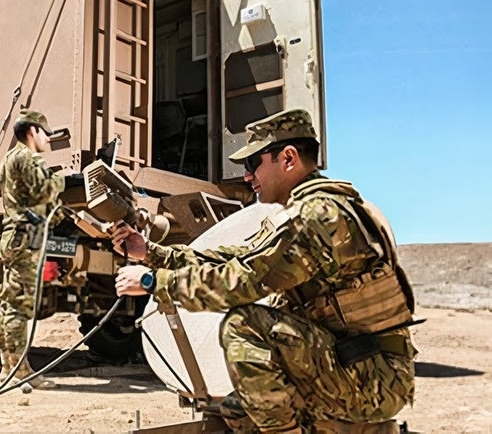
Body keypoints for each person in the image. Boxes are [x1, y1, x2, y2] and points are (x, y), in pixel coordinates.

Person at [112, 109, 417, 434]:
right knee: (236, 409)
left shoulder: (317, 218)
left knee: (245, 326)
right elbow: (235, 258)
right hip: (355, 366)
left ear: (288, 159)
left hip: (373, 379)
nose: (246, 176)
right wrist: (152, 254)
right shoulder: (305, 213)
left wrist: (153, 281)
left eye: (253, 163)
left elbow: (242, 283)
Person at [0, 108, 65, 393]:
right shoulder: (29, 157)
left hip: (13, 235)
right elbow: (47, 194)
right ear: (32, 132)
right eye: (46, 133)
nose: (48, 139)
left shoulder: (9, 159)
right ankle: (22, 372)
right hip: (26, 237)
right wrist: (66, 183)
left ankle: (7, 367)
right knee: (21, 306)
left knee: (9, 303)